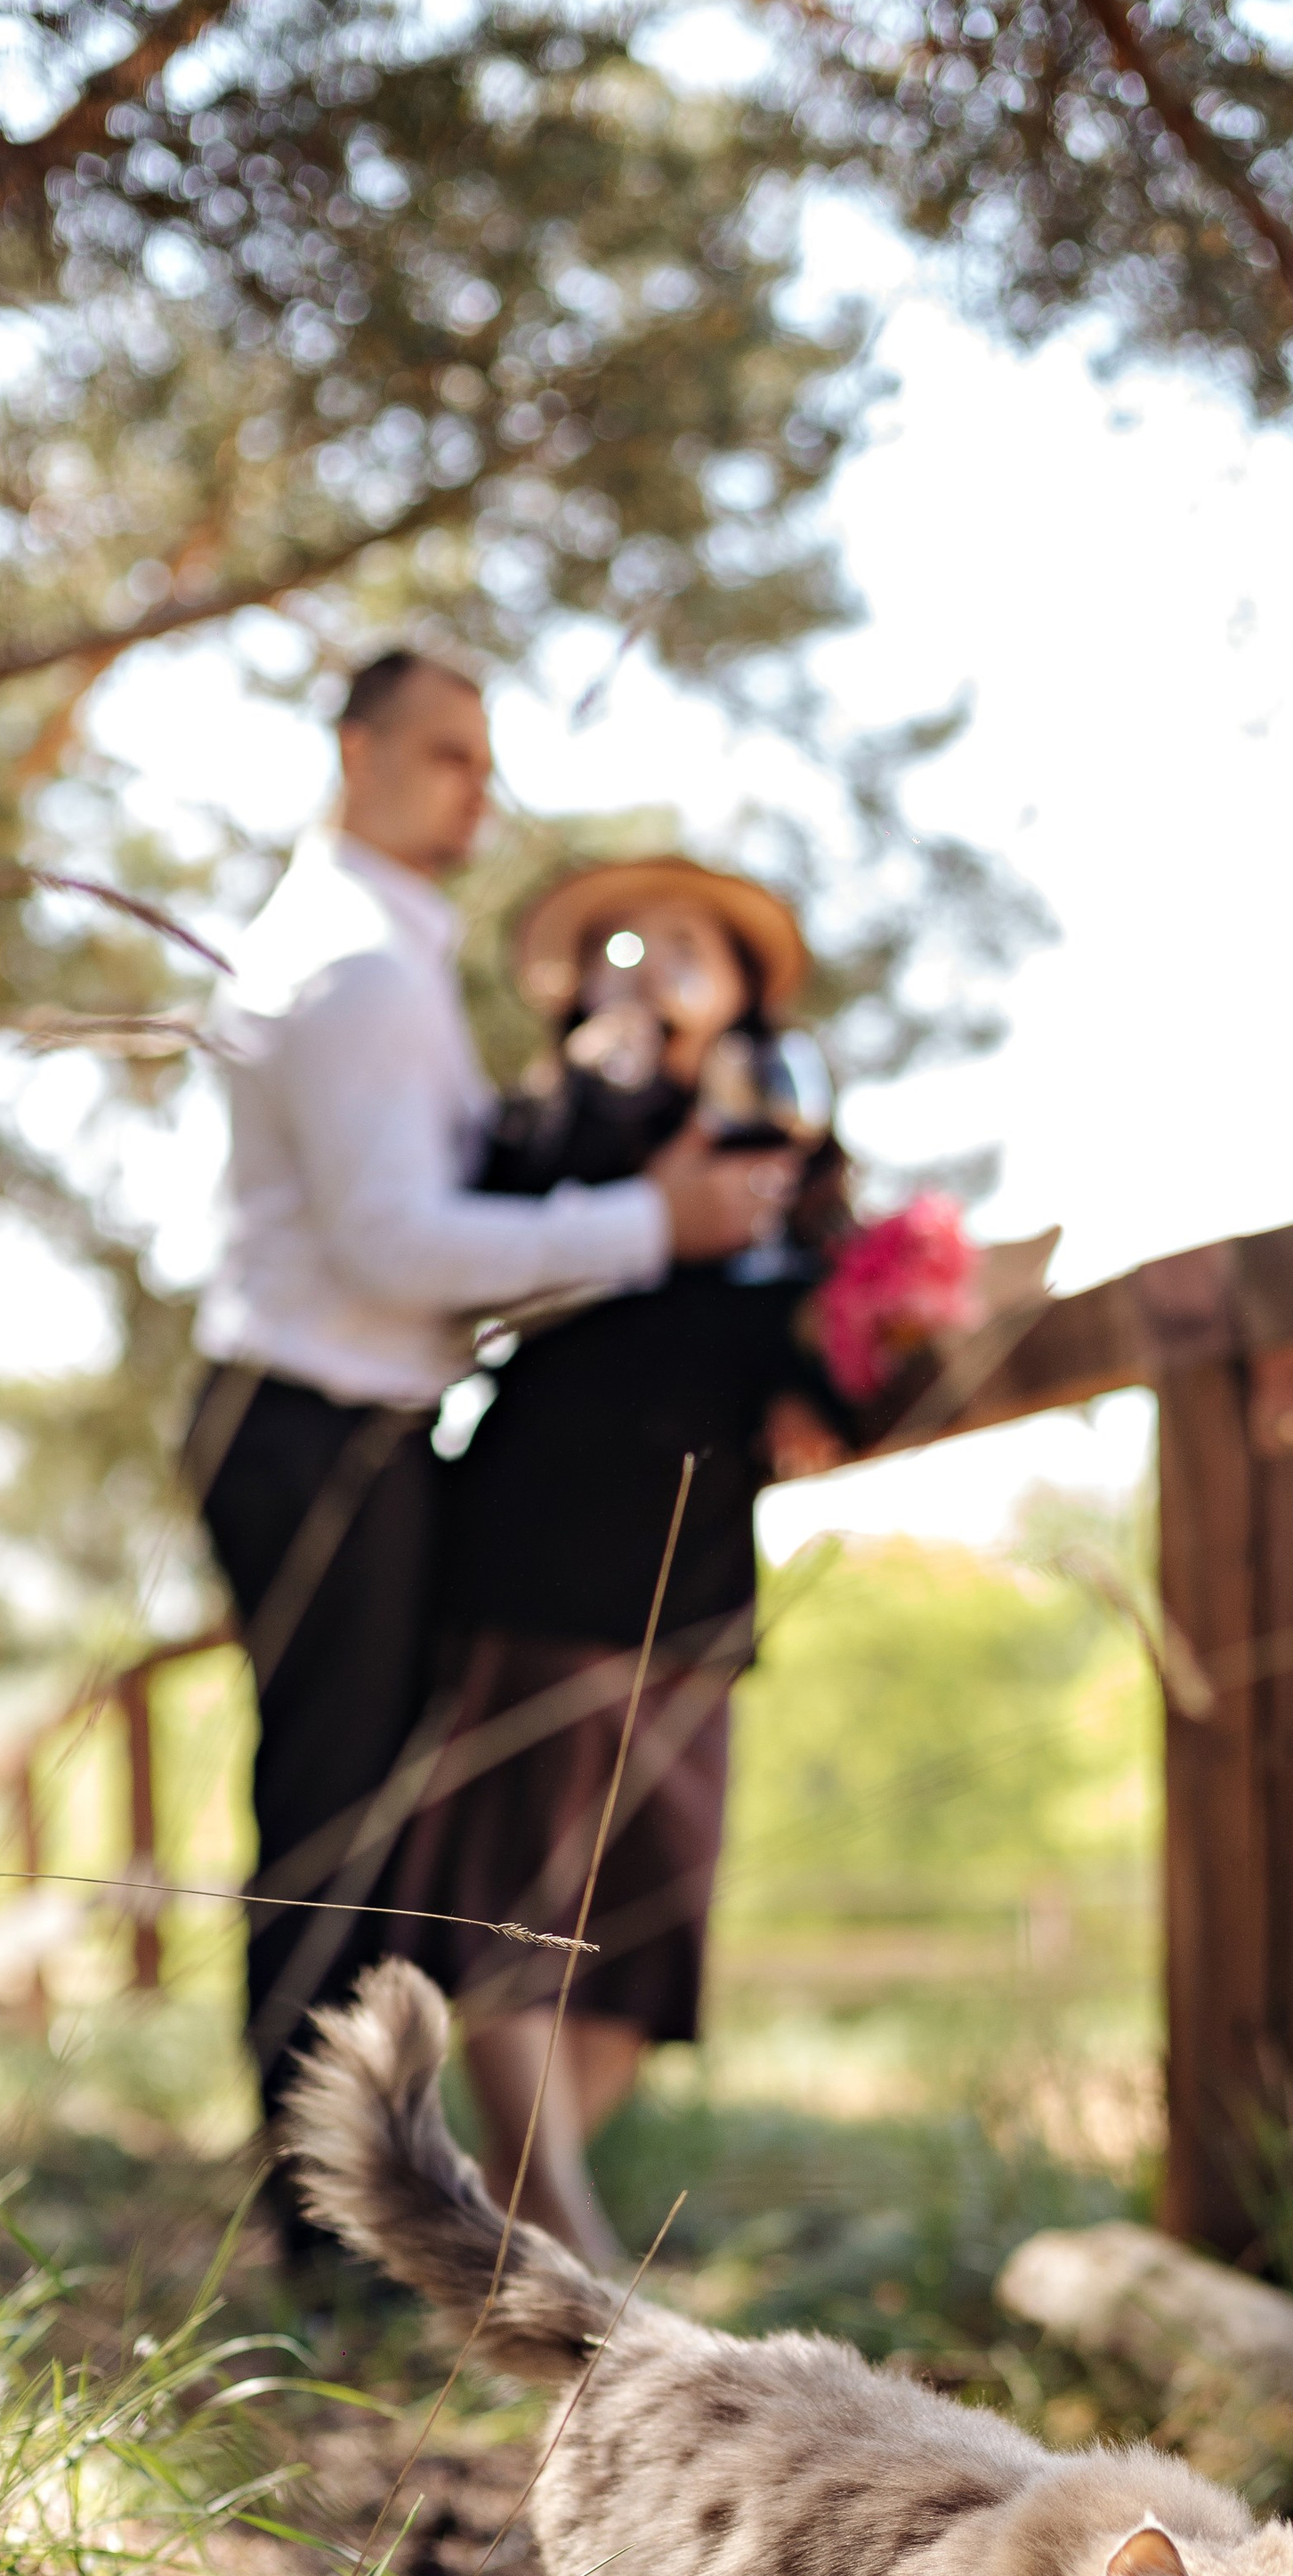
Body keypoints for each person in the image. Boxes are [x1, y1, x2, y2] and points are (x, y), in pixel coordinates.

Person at [187, 654, 785, 2269]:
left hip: (357, 1433)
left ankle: (349, 2218)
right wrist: (653, 1222)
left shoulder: (386, 954)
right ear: (358, 752)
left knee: (361, 1839)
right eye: (447, 753)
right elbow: (395, 1246)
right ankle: (320, 2237)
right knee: (334, 1839)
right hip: (319, 1426)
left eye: (485, 757)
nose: (478, 787)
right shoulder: (354, 968)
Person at [391, 855, 851, 2269]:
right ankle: (569, 2262)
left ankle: (502, 2235)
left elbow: (825, 1348)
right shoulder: (547, 1129)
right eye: (622, 945)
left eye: (686, 942)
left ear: (745, 986)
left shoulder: (797, 1145)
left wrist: (830, 1386)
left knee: (640, 1939)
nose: (651, 963)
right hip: (541, 1550)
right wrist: (600, 1107)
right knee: (510, 1915)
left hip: (695, 1578)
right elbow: (472, 1264)